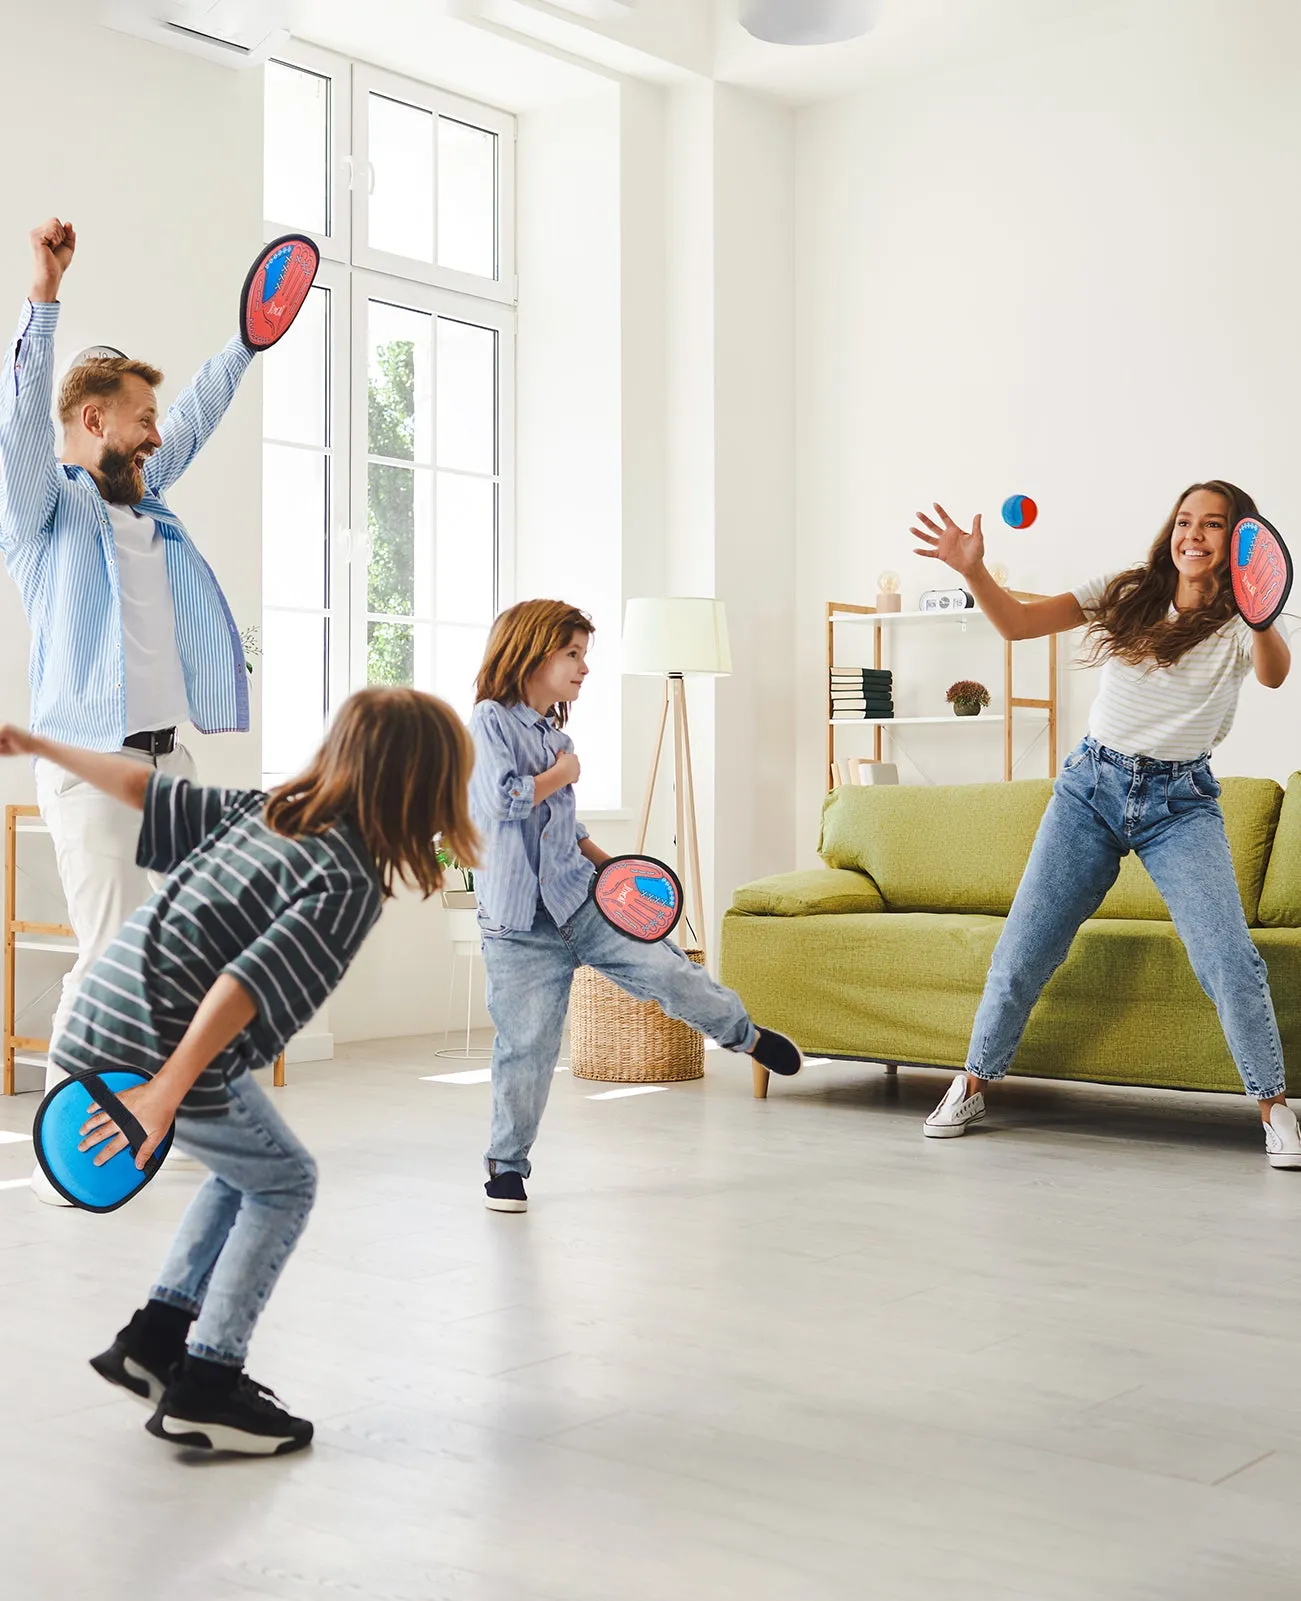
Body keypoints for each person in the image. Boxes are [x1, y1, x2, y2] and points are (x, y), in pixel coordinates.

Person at [0, 687, 477, 1455]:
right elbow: (244, 985)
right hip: (162, 1035)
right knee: (286, 1181)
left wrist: (42, 747)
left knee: (246, 1167)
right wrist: (162, 1093)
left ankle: (155, 1339)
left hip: (106, 1009)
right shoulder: (346, 874)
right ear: (418, 786)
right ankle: (210, 1385)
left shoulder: (266, 812)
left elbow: (140, 790)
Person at [911, 483, 1299, 1166]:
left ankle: (1274, 1107)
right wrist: (973, 571)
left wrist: (1261, 611)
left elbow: (1273, 675)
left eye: (1212, 525)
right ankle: (971, 1082)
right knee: (1024, 948)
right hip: (1089, 789)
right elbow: (1018, 625)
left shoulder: (1246, 620)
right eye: (1184, 521)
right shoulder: (1126, 590)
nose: (1193, 535)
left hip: (1179, 804)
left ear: (1238, 539)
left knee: (1227, 960)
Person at [0, 219, 256, 1198]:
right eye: (140, 417)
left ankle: (170, 1108)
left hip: (169, 765)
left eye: (156, 420)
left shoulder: (148, 500)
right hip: (86, 763)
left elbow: (196, 409)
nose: (159, 432)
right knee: (108, 948)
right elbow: (24, 418)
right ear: (96, 422)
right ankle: (75, 1137)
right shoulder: (40, 514)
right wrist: (45, 292)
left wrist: (248, 338)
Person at [469, 599, 803, 1214]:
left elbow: (559, 826)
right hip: (517, 927)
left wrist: (613, 867)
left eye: (584, 655)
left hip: (580, 902)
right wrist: (564, 771)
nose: (583, 668)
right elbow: (502, 800)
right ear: (530, 651)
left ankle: (745, 1036)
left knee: (672, 972)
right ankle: (506, 1169)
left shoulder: (555, 736)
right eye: (572, 654)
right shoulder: (490, 722)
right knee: (528, 1047)